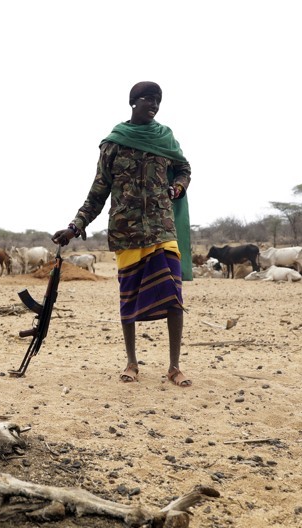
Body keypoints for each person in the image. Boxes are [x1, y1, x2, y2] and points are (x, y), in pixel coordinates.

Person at [53, 81, 192, 387]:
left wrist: (178, 186)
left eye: (158, 100)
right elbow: (98, 190)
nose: (153, 104)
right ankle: (131, 362)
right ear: (133, 102)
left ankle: (174, 366)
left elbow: (184, 168)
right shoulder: (113, 143)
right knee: (128, 298)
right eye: (147, 99)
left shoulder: (165, 138)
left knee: (174, 296)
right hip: (126, 232)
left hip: (161, 229)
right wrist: (75, 226)